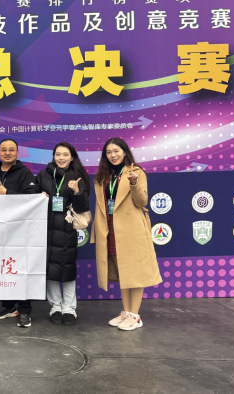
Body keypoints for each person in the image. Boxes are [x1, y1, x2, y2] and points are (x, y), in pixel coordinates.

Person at [90, 138, 162, 331]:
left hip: (131, 229)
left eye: (116, 151)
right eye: (109, 152)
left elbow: (142, 201)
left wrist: (134, 183)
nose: (113, 155)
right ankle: (127, 312)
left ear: (124, 152)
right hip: (110, 228)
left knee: (135, 272)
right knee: (123, 270)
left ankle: (135, 316)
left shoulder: (136, 172)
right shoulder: (102, 176)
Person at [35, 142, 90, 327]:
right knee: (50, 270)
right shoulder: (44, 175)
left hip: (67, 230)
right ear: (53, 156)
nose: (61, 158)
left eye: (65, 154)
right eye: (58, 154)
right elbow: (32, 198)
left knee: (67, 270)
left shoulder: (77, 176)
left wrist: (76, 191)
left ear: (72, 157)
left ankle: (69, 308)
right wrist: (39, 197)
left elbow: (83, 207)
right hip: (46, 229)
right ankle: (55, 307)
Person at [0, 139, 38, 328]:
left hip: (20, 230)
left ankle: (24, 310)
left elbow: (31, 199)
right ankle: (8, 307)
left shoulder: (25, 173)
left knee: (21, 269)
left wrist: (7, 194)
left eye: (11, 150)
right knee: (4, 268)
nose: (7, 153)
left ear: (17, 152)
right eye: (4, 150)